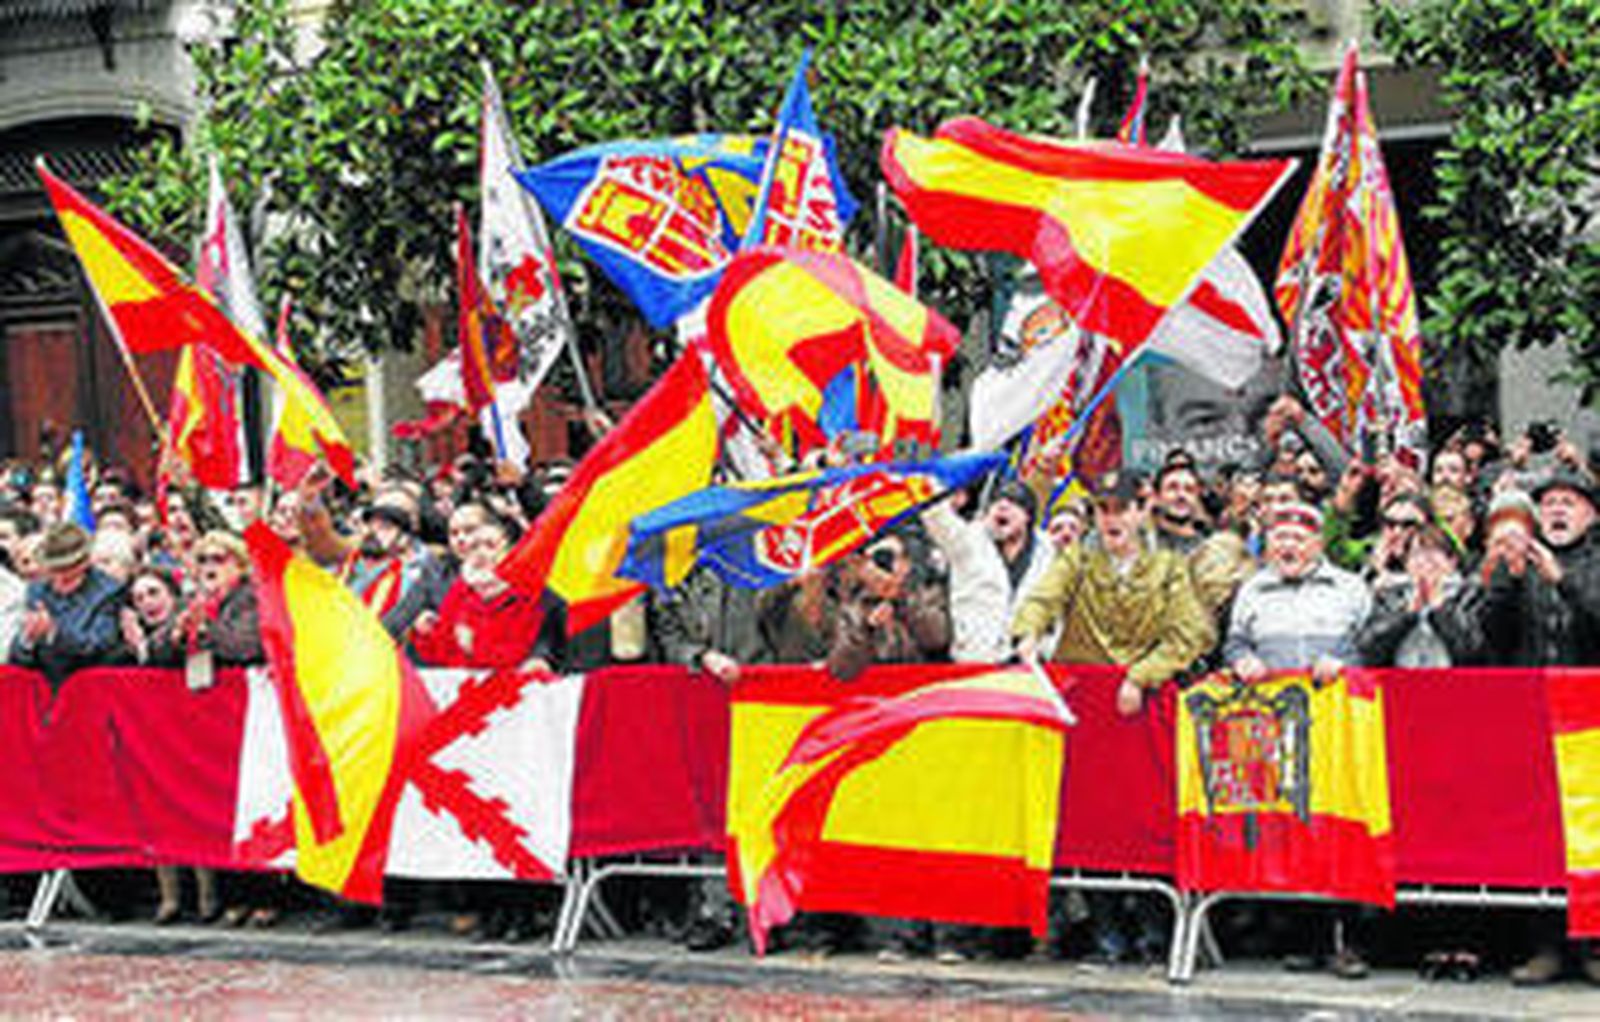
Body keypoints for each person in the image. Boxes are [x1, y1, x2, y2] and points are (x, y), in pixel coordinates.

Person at [1011, 471, 1213, 964]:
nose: (1111, 519)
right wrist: (1028, 632)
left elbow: (1191, 635)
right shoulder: (1077, 561)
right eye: (1103, 509)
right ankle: (1106, 932)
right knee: (1087, 819)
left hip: (1143, 710)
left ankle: (1153, 929)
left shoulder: (1169, 568)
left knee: (1146, 818)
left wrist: (1142, 675)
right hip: (1087, 712)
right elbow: (1042, 598)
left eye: (1121, 508)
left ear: (1143, 510)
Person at [1223, 501, 1373, 980]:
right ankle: (1306, 939)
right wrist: (1241, 659)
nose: (1288, 546)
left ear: (1318, 544)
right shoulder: (1251, 589)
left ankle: (1348, 942)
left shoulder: (1350, 587)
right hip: (1278, 730)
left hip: (1339, 728)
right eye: (1280, 538)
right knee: (1290, 828)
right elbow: (1233, 642)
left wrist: (1345, 661)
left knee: (1340, 832)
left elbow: (1372, 639)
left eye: (1298, 538)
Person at [10, 523, 123, 687]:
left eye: (65, 569)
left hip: (87, 687)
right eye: (53, 568)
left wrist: (54, 633)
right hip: (40, 686)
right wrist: (27, 640)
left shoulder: (109, 591)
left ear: (84, 563)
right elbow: (18, 659)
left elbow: (100, 647)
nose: (58, 576)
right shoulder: (37, 589)